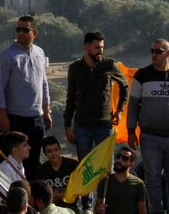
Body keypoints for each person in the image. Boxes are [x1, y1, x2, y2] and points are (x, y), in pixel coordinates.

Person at [64, 31, 129, 213]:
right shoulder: (75, 68)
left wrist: (120, 110)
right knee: (85, 167)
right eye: (96, 47)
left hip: (104, 124)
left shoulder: (109, 65)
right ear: (86, 47)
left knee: (105, 169)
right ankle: (87, 207)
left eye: (102, 47)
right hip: (82, 126)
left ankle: (104, 204)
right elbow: (71, 98)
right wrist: (67, 124)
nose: (100, 50)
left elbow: (124, 86)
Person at [0, 16, 51, 178]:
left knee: (33, 160)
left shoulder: (39, 52)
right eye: (18, 29)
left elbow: (43, 82)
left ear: (34, 32)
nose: (21, 33)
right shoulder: (7, 55)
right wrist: (3, 116)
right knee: (15, 162)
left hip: (36, 117)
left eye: (25, 30)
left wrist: (47, 110)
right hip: (16, 117)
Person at [126, 38, 169, 214]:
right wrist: (131, 131)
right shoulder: (142, 75)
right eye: (152, 51)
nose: (153, 55)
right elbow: (133, 105)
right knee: (152, 179)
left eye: (158, 51)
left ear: (168, 53)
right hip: (149, 137)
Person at [95, 147, 147, 214]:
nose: (119, 160)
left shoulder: (139, 184)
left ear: (131, 164)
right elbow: (96, 210)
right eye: (118, 156)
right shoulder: (104, 182)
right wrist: (99, 209)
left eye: (124, 158)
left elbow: (142, 211)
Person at [36, 136, 80, 212]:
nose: (53, 154)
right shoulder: (41, 170)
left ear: (60, 149)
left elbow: (77, 192)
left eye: (56, 150)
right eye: (49, 151)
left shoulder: (73, 165)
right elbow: (42, 196)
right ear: (44, 153)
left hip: (71, 209)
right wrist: (65, 194)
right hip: (52, 210)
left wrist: (53, 195)